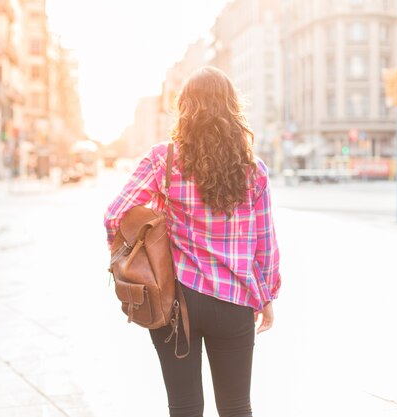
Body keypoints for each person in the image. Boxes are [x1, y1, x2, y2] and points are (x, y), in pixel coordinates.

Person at [104, 66, 281, 417]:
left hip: (174, 302)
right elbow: (265, 245)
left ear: (185, 108)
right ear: (232, 108)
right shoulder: (254, 170)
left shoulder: (163, 160)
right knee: (236, 406)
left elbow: (115, 215)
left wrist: (134, 263)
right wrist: (266, 296)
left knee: (184, 408)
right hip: (235, 301)